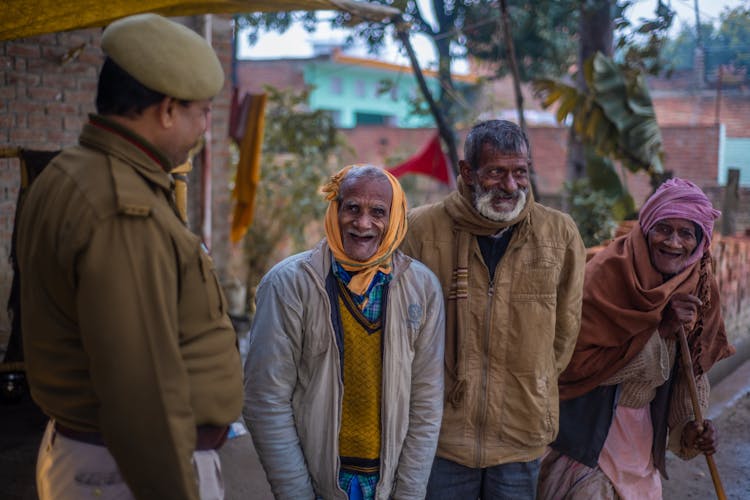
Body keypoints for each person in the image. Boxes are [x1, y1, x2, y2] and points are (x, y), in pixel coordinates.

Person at [16, 14, 243, 500]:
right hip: (126, 471)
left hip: (103, 461)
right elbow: (141, 391)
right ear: (165, 109)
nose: (205, 127)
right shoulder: (121, 207)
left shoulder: (73, 170)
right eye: (202, 111)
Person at [400, 119, 586, 499]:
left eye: (520, 172)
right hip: (440, 436)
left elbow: (564, 331)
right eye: (496, 173)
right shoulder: (420, 229)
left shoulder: (559, 234)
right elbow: (401, 331)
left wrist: (532, 384)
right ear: (468, 172)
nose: (511, 186)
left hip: (521, 433)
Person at [244, 165, 445, 499]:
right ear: (334, 211)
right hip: (315, 483)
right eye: (352, 207)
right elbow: (266, 399)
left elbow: (425, 404)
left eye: (378, 212)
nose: (363, 223)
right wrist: (296, 492)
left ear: (394, 217)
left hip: (388, 486)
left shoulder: (421, 288)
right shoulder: (288, 284)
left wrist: (408, 493)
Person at [537, 178, 736, 499]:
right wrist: (660, 329)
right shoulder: (605, 275)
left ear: (700, 242)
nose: (673, 242)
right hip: (583, 438)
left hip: (640, 441)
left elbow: (692, 370)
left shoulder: (699, 286)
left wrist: (693, 429)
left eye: (686, 233)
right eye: (664, 229)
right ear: (646, 230)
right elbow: (572, 365)